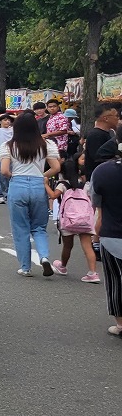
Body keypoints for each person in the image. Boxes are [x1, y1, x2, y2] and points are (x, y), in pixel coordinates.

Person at [0, 112, 61, 278]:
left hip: (17, 186)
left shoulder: (8, 145)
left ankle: (25, 267)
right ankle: (44, 256)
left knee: (20, 229)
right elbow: (56, 167)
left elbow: (4, 170)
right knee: (39, 227)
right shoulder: (46, 144)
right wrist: (43, 176)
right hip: (38, 186)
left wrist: (15, 177)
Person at [90, 139, 122, 335]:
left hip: (112, 236)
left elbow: (98, 209)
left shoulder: (102, 171)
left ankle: (121, 323)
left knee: (115, 280)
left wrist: (95, 236)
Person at [49, 157, 99, 283]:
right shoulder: (84, 185)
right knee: (87, 246)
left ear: (62, 172)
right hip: (84, 219)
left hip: (68, 220)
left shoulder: (62, 184)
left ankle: (63, 267)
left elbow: (54, 196)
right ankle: (93, 273)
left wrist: (45, 184)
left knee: (68, 246)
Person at [81, 102, 119, 183]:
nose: (118, 119)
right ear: (106, 118)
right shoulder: (96, 135)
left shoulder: (109, 133)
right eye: (116, 116)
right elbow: (98, 159)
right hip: (99, 181)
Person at [0, 114, 14, 203]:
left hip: (12, 155)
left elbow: (21, 119)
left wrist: (11, 115)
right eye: (5, 120)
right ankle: (0, 195)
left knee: (10, 175)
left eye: (9, 120)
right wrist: (1, 115)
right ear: (0, 121)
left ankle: (9, 194)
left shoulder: (13, 130)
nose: (7, 121)